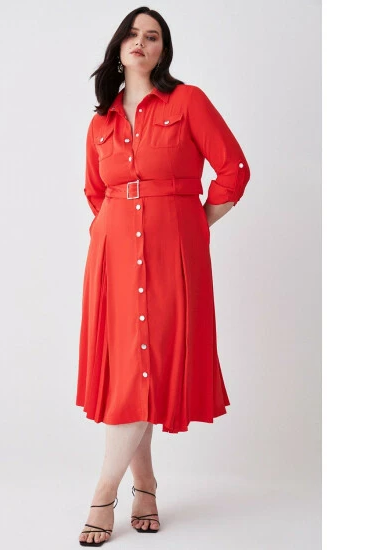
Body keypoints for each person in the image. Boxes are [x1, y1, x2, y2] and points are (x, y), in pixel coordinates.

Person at [76, 6, 251, 546]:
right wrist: (116, 233)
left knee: (146, 366)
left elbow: (233, 170)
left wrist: (191, 225)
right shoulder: (100, 122)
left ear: (162, 50)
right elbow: (95, 194)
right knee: (132, 371)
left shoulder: (188, 101)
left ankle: (103, 492)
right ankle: (145, 485)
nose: (141, 42)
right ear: (118, 47)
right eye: (132, 34)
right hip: (112, 259)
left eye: (152, 36)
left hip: (173, 257)